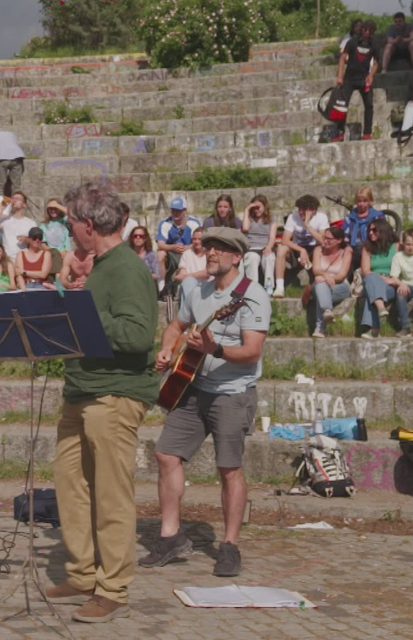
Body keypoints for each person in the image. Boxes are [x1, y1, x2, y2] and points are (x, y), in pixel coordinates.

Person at [46, 183, 158, 624]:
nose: (68, 232)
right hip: (81, 391)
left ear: (88, 225)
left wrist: (82, 307)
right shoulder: (102, 266)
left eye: (70, 224)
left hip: (113, 395)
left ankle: (112, 588)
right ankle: (82, 572)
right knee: (69, 486)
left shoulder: (127, 269)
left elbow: (135, 335)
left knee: (112, 496)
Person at [148, 227, 270, 579]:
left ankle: (230, 545)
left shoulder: (253, 296)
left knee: (229, 468)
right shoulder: (196, 290)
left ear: (236, 257)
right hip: (192, 384)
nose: (211, 252)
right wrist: (168, 348)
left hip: (233, 392)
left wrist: (215, 349)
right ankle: (170, 536)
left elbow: (252, 352)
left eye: (220, 249)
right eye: (209, 247)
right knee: (165, 453)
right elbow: (177, 326)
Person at [330, 20, 377, 142]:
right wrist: (340, 76)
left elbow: (377, 63)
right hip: (349, 78)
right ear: (361, 30)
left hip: (364, 78)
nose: (366, 32)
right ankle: (339, 132)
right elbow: (342, 58)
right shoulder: (352, 42)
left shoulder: (374, 45)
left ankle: (367, 132)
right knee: (341, 105)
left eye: (369, 30)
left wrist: (371, 75)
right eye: (365, 29)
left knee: (369, 105)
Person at [273, 195, 328, 298]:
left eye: (304, 209)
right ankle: (279, 287)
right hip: (297, 248)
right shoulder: (292, 217)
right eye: (299, 209)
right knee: (281, 249)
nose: (300, 212)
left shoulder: (321, 217)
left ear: (313, 210)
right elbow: (285, 240)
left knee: (319, 249)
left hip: (314, 249)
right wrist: (301, 250)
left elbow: (322, 241)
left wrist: (307, 225)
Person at [358, 218, 399, 339]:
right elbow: (366, 271)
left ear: (383, 230)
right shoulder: (367, 248)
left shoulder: (396, 246)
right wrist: (382, 278)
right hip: (373, 280)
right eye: (369, 230)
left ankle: (374, 330)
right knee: (370, 279)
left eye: (374, 230)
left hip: (391, 284)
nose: (371, 233)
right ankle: (381, 307)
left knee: (372, 294)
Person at [309, 227, 353, 338]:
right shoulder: (318, 250)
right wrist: (326, 276)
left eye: (329, 239)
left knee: (322, 293)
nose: (325, 241)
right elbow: (316, 270)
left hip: (340, 286)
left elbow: (342, 275)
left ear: (339, 240)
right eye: (324, 238)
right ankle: (326, 311)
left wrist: (325, 278)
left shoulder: (346, 252)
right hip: (320, 285)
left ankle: (320, 327)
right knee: (321, 286)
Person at [155, 197, 201, 297]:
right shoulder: (165, 223)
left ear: (184, 211)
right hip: (172, 253)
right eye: (173, 210)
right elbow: (160, 243)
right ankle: (161, 285)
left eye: (178, 211)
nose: (175, 213)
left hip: (189, 252)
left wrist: (187, 248)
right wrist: (173, 247)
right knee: (160, 254)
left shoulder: (193, 223)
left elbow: (199, 240)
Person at [240, 195, 276, 294]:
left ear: (264, 207)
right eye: (254, 208)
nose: (256, 210)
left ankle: (269, 286)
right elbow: (245, 228)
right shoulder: (249, 219)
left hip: (265, 247)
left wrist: (269, 247)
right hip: (251, 248)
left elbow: (272, 237)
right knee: (252, 258)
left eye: (258, 207)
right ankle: (252, 287)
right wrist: (247, 210)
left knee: (269, 257)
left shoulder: (271, 221)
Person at [0, 191, 38, 260]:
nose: (15, 200)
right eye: (13, 198)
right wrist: (1, 209)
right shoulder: (5, 220)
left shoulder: (31, 223)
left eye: (18, 199)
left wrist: (27, 240)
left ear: (24, 205)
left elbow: (37, 243)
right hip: (7, 259)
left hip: (23, 259)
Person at [173, 231, 210, 301]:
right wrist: (186, 277)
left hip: (206, 287)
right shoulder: (187, 254)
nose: (196, 241)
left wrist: (187, 275)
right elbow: (182, 273)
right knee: (188, 283)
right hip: (189, 288)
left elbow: (206, 273)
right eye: (194, 239)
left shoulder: (209, 254)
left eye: (199, 239)